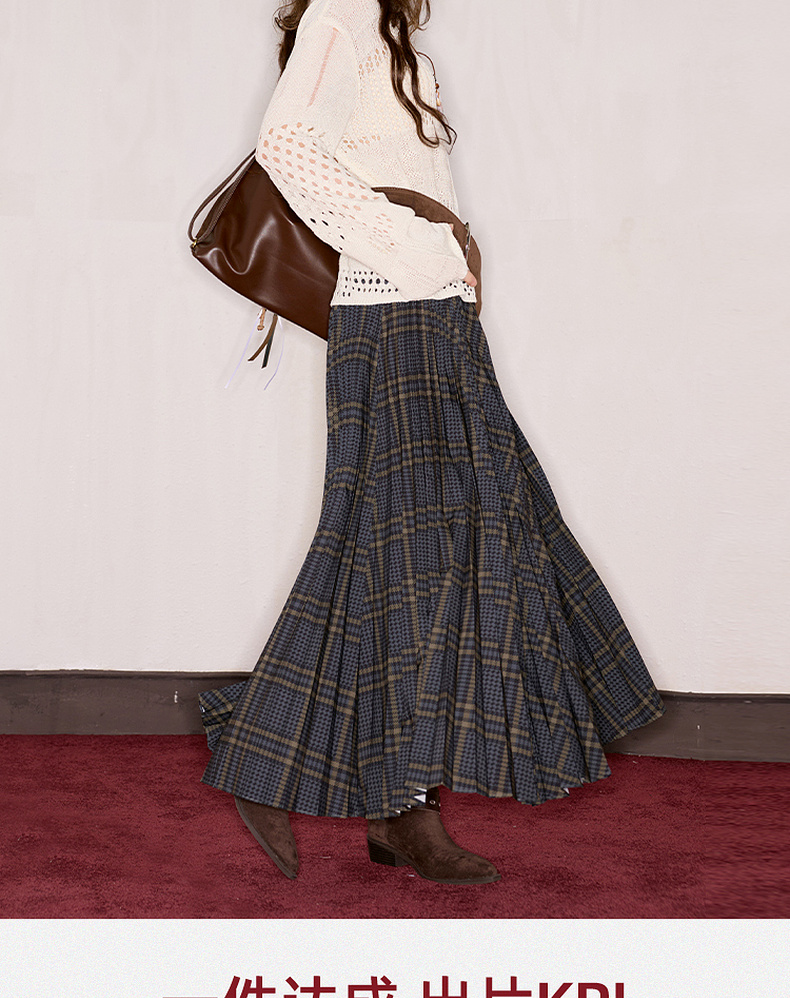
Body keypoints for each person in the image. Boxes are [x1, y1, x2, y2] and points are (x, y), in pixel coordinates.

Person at [197, 0, 665, 885]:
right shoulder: (342, 13)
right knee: (410, 557)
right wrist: (416, 247)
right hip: (396, 321)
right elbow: (287, 144)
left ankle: (383, 797)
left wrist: (449, 258)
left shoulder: (389, 33)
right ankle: (337, 780)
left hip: (431, 318)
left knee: (430, 553)